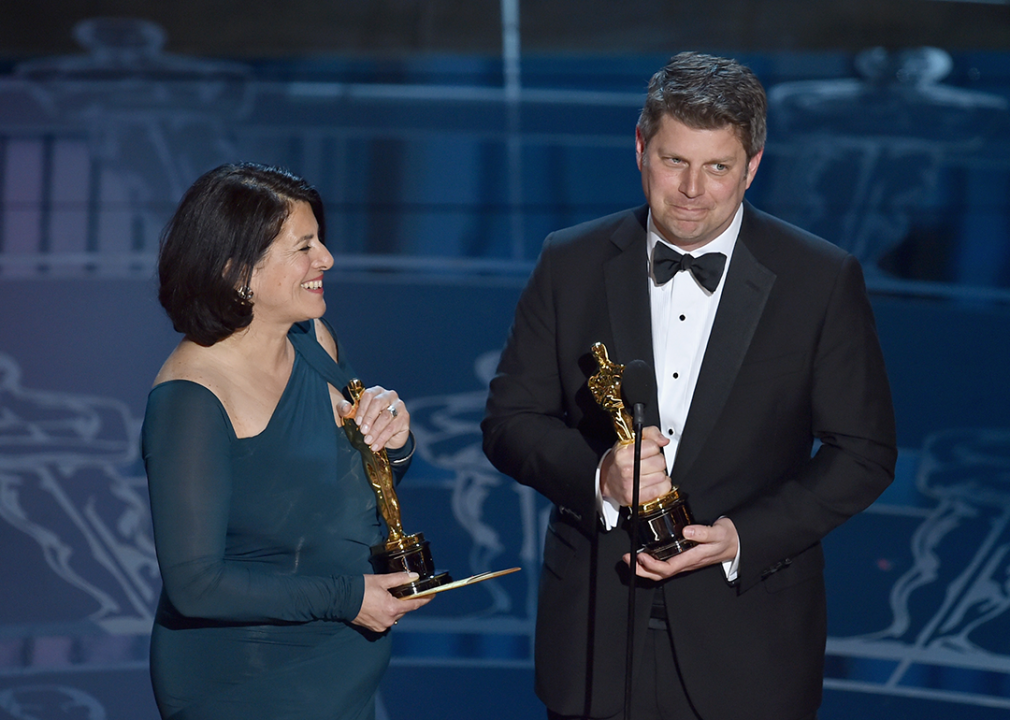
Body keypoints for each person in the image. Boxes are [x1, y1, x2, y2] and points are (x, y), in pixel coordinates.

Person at [482, 52, 897, 720]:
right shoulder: (571, 260)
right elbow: (510, 421)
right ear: (641, 148)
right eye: (675, 161)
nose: (693, 191)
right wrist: (600, 479)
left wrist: (742, 536)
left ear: (753, 166)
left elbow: (864, 452)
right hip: (595, 635)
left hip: (750, 638)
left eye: (718, 167)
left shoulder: (819, 279)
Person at [142, 162, 430, 720]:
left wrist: (395, 440)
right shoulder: (191, 400)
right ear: (237, 272)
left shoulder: (312, 338)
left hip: (343, 675)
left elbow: (344, 491)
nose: (326, 259)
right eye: (304, 247)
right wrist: (350, 598)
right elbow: (196, 585)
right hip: (249, 686)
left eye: (319, 241)